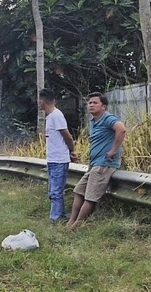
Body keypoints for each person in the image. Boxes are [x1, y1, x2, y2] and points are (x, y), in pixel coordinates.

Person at [67, 92, 126, 229]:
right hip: (94, 164)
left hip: (104, 165)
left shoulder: (108, 118)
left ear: (103, 106)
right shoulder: (93, 121)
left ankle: (77, 226)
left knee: (90, 197)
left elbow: (121, 129)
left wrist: (113, 150)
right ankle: (70, 222)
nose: (91, 105)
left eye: (95, 103)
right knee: (78, 191)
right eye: (89, 103)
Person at [38, 89, 77, 223]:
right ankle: (59, 215)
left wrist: (72, 151)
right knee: (53, 192)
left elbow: (67, 136)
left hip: (59, 160)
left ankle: (56, 219)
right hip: (53, 159)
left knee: (56, 192)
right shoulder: (50, 117)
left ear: (41, 102)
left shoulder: (56, 115)